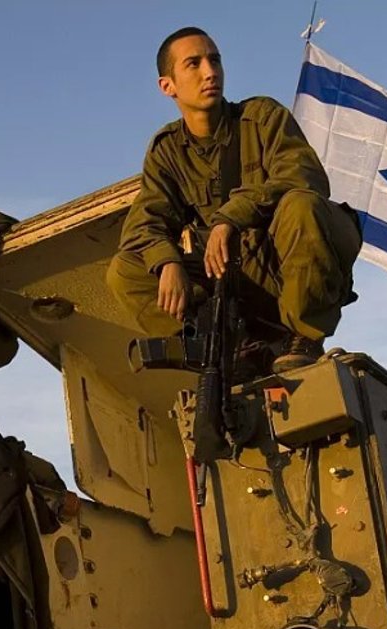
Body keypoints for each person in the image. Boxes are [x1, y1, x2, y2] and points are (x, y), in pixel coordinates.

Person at [106, 27, 362, 374]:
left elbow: (302, 175)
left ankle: (303, 336)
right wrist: (166, 262)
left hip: (286, 261)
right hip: (235, 277)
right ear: (168, 86)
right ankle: (225, 349)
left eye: (214, 61)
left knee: (301, 204)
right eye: (194, 64)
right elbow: (143, 223)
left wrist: (229, 218)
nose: (210, 72)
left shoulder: (262, 117)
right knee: (125, 270)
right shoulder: (167, 150)